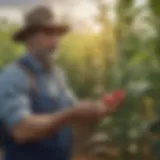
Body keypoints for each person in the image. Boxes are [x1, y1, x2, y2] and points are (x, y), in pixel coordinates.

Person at [0, 6, 123, 160]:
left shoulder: (58, 75)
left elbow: (74, 116)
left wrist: (98, 110)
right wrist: (71, 114)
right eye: (47, 33)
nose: (55, 41)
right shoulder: (14, 75)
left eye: (57, 34)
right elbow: (21, 129)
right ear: (29, 38)